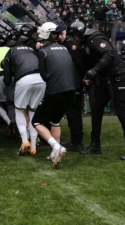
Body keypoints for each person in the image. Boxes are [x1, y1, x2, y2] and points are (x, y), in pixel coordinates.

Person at [75, 24, 125, 161]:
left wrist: (93, 71)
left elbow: (108, 54)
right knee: (96, 111)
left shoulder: (96, 39)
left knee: (122, 113)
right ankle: (95, 144)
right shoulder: (87, 43)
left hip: (118, 78)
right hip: (104, 80)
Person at [33, 22, 76, 168]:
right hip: (71, 90)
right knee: (55, 120)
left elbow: (44, 75)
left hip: (55, 90)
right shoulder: (64, 49)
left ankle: (56, 147)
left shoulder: (43, 52)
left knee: (36, 122)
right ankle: (55, 153)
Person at [2, 21, 44, 157]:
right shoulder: (32, 50)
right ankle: (33, 146)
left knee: (19, 111)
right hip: (40, 79)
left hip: (24, 79)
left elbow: (7, 80)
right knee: (32, 113)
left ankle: (24, 140)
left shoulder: (11, 51)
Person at [61, 22, 87, 151]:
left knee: (74, 115)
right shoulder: (71, 46)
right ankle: (75, 141)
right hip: (73, 84)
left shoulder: (72, 47)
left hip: (74, 85)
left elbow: (80, 66)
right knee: (72, 115)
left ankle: (77, 142)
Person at [0, 31, 15, 139]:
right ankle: (14, 125)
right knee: (11, 103)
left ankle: (9, 122)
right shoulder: (11, 50)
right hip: (12, 77)